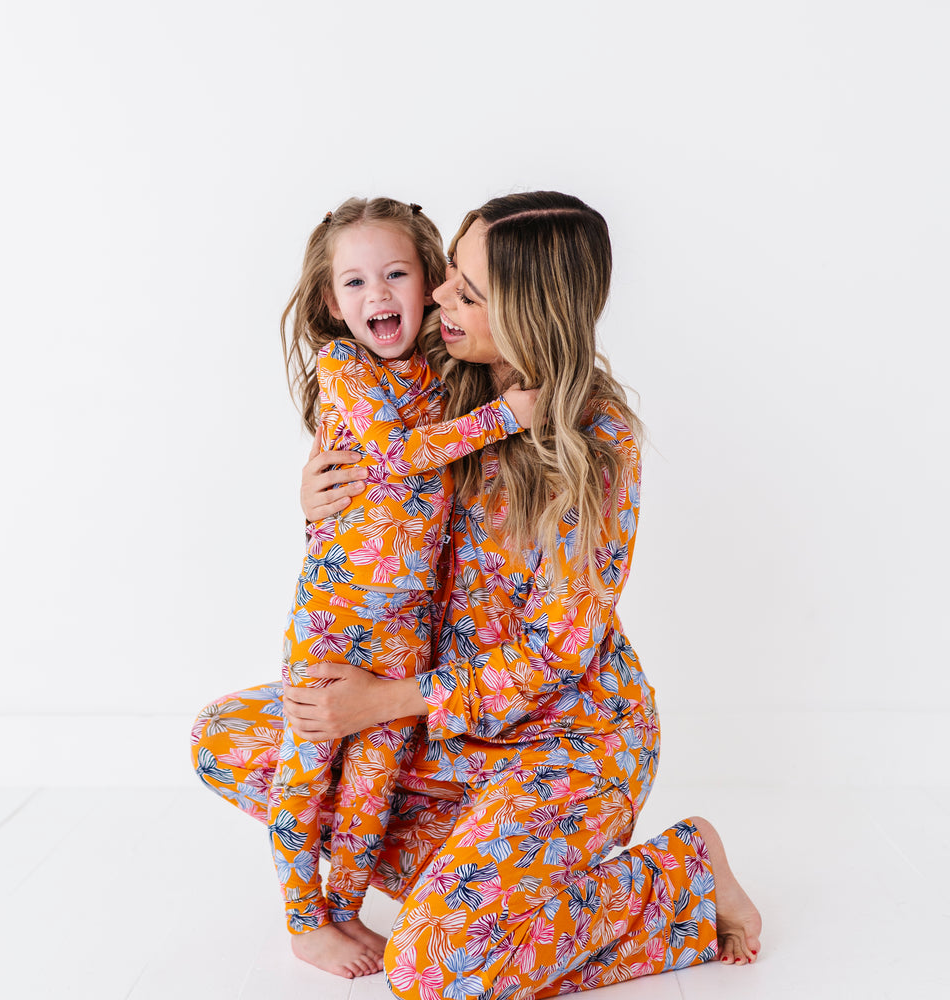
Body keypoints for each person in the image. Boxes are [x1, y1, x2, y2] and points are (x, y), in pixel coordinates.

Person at [192, 191, 761, 997]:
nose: (437, 296)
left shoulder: (596, 441)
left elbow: (553, 654)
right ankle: (482, 886)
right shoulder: (435, 371)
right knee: (226, 738)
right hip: (435, 734)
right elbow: (379, 510)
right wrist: (318, 498)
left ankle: (683, 879)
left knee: (430, 972)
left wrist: (381, 703)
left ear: (531, 311)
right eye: (447, 276)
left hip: (560, 742)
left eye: (468, 291)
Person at [272, 196, 538, 978]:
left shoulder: (448, 371)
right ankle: (302, 919)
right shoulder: (343, 366)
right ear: (332, 303)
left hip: (406, 628)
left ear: (430, 282)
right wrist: (506, 417)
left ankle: (344, 910)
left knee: (373, 779)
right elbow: (393, 455)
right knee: (308, 764)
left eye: (395, 274)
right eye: (354, 283)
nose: (377, 295)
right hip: (333, 616)